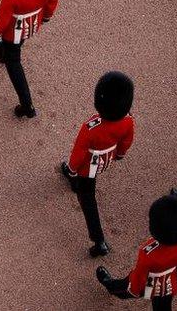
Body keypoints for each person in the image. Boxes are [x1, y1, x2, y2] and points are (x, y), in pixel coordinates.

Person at [60, 72, 136, 257]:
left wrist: (71, 170)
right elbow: (126, 142)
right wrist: (120, 154)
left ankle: (99, 240)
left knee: (87, 199)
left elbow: (78, 154)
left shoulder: (90, 128)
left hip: (87, 167)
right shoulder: (128, 121)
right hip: (106, 159)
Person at [97, 195, 177, 311]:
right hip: (169, 284)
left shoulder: (148, 253)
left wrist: (134, 291)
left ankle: (110, 286)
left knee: (123, 289)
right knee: (162, 306)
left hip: (149, 285)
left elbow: (139, 277)